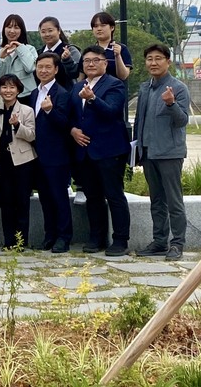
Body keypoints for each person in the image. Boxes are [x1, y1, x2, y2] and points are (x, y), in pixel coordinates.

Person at [68, 46, 131, 256]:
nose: (91, 64)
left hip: (109, 150)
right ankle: (97, 237)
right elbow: (71, 115)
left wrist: (93, 98)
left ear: (105, 63)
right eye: (87, 61)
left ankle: (120, 240)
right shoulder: (78, 86)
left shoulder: (114, 84)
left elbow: (112, 111)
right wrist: (72, 130)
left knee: (114, 195)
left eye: (96, 60)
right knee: (92, 196)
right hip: (84, 151)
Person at [134, 44, 190, 261]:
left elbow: (182, 120)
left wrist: (171, 104)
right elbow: (140, 120)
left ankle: (177, 244)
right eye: (149, 58)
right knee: (156, 200)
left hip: (169, 153)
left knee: (174, 201)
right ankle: (159, 241)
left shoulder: (178, 88)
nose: (153, 63)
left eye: (158, 58)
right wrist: (137, 149)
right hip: (148, 152)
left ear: (168, 61)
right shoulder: (145, 88)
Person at [29, 52, 73, 253]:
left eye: (48, 67)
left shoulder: (62, 93)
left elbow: (64, 123)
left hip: (57, 156)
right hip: (37, 155)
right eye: (40, 67)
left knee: (59, 197)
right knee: (45, 198)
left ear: (56, 70)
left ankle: (64, 237)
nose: (43, 71)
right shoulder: (34, 93)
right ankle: (50, 235)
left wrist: (49, 110)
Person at [0, 74, 36, 250]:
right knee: (6, 203)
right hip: (3, 161)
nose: (8, 91)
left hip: (23, 161)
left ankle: (21, 242)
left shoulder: (27, 110)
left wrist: (17, 125)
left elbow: (31, 135)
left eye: (12, 87)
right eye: (4, 87)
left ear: (18, 90)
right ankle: (8, 241)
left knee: (22, 202)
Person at [0, 14, 38, 105]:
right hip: (8, 97)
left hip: (29, 96)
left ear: (22, 30)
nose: (12, 31)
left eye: (16, 27)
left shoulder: (30, 49)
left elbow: (30, 68)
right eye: (9, 27)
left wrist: (20, 48)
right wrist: (2, 58)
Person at [36, 16, 81, 91]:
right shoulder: (38, 53)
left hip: (66, 94)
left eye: (50, 31)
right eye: (43, 32)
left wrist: (67, 60)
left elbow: (77, 74)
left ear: (59, 31)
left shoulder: (70, 50)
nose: (47, 34)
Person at [87, 11, 132, 80]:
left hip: (115, 86)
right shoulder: (89, 51)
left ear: (112, 27)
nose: (99, 29)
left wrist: (118, 56)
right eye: (95, 26)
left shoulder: (121, 48)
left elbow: (123, 76)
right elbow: (82, 76)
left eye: (103, 25)